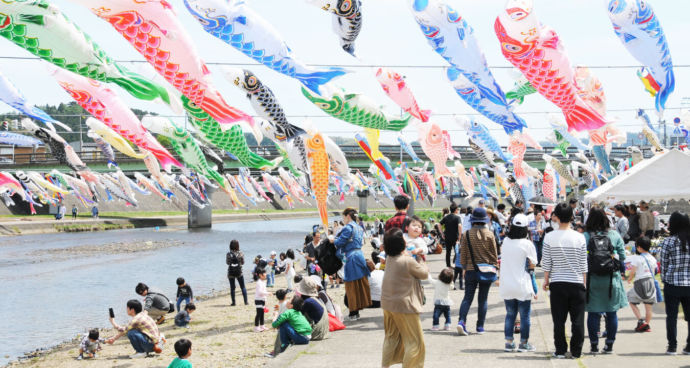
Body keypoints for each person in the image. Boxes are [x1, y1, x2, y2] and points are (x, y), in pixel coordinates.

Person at [542, 203, 587, 359]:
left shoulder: (549, 236)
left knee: (559, 320)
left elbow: (546, 262)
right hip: (576, 282)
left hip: (558, 282)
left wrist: (546, 280)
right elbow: (583, 264)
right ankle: (576, 351)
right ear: (572, 217)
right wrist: (584, 283)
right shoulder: (580, 237)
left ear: (557, 217)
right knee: (578, 320)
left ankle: (560, 350)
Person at [381, 228, 429, 368]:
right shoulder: (407, 261)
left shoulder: (390, 258)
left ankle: (385, 366)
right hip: (404, 305)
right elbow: (424, 274)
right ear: (400, 243)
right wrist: (420, 259)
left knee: (391, 338)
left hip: (388, 303)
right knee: (414, 342)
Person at [583, 207, 627, 354]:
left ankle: (594, 345)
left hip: (592, 280)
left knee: (593, 313)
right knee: (611, 312)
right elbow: (622, 256)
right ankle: (609, 345)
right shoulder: (614, 234)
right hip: (611, 280)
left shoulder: (586, 236)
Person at [456, 207, 498, 336]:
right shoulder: (490, 234)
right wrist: (493, 266)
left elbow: (463, 254)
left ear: (473, 220)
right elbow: (494, 255)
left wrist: (463, 268)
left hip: (470, 269)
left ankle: (461, 321)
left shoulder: (466, 234)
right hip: (486, 270)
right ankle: (480, 326)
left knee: (467, 297)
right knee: (483, 299)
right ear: (485, 220)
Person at [500, 214, 538, 352]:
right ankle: (523, 343)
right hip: (522, 285)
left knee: (510, 314)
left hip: (507, 284)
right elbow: (533, 262)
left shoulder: (505, 241)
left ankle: (509, 343)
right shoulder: (527, 244)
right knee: (525, 316)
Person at [659, 212, 690, 355]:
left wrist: (665, 280)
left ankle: (672, 346)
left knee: (671, 316)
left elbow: (663, 265)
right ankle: (689, 346)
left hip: (672, 283)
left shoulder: (668, 242)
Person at [335, 208, 371, 320]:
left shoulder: (348, 227)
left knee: (351, 286)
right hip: (359, 255)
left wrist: (333, 240)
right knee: (360, 284)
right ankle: (357, 309)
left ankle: (353, 312)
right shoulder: (359, 227)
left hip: (351, 257)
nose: (343, 220)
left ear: (348, 216)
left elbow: (339, 242)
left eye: (343, 217)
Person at [626, 237, 657, 333]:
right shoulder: (653, 258)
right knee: (648, 307)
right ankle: (647, 325)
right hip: (651, 283)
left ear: (639, 247)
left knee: (631, 300)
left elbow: (633, 271)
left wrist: (629, 279)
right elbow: (655, 271)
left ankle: (641, 320)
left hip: (640, 283)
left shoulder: (638, 258)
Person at [295, 277, 329, 341]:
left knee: (287, 325)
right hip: (324, 331)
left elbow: (297, 315)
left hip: (317, 334)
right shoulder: (313, 299)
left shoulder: (308, 302)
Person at [226, 240, 248, 306]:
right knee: (243, 287)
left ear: (230, 246)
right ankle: (246, 302)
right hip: (239, 272)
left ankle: (233, 302)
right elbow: (243, 263)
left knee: (232, 288)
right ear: (238, 245)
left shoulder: (228, 254)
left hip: (231, 272)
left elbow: (227, 263)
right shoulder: (240, 253)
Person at [440, 203, 462, 268]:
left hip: (447, 236)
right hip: (455, 237)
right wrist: (460, 235)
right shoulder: (457, 217)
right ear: (455, 210)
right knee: (457, 251)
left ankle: (448, 265)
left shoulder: (446, 217)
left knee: (448, 252)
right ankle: (457, 265)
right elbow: (460, 226)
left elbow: (439, 224)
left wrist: (442, 233)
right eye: (457, 209)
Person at [254, 267, 270, 332]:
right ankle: (256, 327)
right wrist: (268, 293)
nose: (266, 274)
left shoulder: (263, 282)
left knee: (262, 314)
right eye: (264, 273)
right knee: (258, 314)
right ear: (260, 275)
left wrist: (265, 300)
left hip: (262, 299)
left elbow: (264, 291)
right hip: (258, 300)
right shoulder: (259, 282)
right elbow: (260, 292)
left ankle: (262, 326)